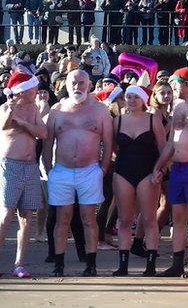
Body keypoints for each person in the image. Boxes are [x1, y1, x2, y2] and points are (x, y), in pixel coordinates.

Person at [42, 70, 114, 277]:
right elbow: (48, 143)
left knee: (88, 218)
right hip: (61, 171)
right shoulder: (57, 110)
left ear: (89, 84)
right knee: (62, 219)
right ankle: (59, 263)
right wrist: (49, 170)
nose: (78, 86)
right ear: (67, 84)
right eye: (74, 82)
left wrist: (103, 169)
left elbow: (108, 142)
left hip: (90, 170)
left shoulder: (100, 111)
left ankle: (91, 264)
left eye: (82, 82)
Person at [152, 68, 188, 278]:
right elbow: (171, 142)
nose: (172, 87)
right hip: (178, 167)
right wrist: (158, 166)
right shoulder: (179, 107)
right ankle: (177, 263)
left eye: (175, 83)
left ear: (185, 83)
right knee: (177, 216)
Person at [111, 86, 166, 277]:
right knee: (124, 220)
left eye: (135, 97)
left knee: (149, 219)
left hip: (147, 172)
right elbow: (113, 148)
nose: (132, 100)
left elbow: (163, 148)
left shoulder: (153, 119)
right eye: (128, 97)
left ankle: (151, 264)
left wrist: (159, 169)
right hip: (123, 171)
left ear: (143, 100)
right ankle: (123, 265)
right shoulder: (117, 121)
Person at [0, 71, 48, 279]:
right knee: (5, 216)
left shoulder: (34, 108)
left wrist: (25, 124)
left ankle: (19, 263)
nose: (37, 91)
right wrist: (11, 112)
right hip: (10, 166)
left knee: (27, 216)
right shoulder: (5, 107)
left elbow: (43, 133)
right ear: (23, 91)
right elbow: (3, 125)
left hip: (30, 167)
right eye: (33, 88)